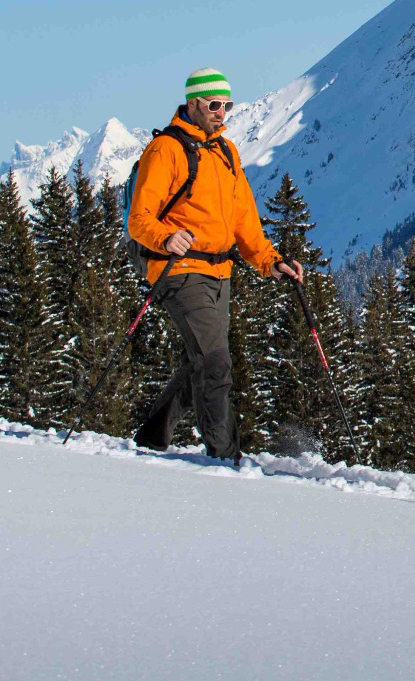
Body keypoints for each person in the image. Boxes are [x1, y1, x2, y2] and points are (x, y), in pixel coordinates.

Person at [126, 68, 303, 460]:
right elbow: (139, 219)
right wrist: (165, 237)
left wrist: (269, 261)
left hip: (219, 272)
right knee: (216, 363)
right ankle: (225, 455)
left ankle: (152, 435)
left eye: (227, 105)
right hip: (178, 270)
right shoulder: (166, 150)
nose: (222, 112)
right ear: (192, 104)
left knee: (199, 362)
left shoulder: (226, 152)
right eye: (214, 105)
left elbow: (244, 219)